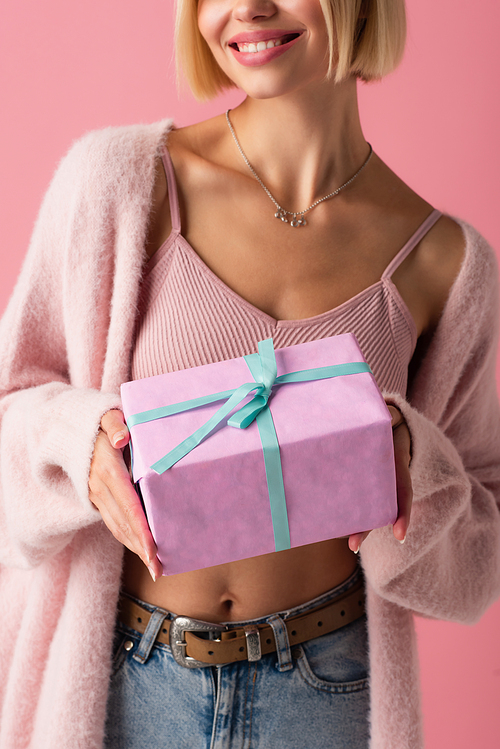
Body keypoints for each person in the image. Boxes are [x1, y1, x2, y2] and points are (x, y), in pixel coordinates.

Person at [0, 0, 499, 747]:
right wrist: (78, 440)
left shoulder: (448, 264)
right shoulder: (121, 183)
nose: (249, 8)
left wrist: (413, 463)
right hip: (127, 683)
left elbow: (476, 562)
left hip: (329, 693)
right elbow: (12, 409)